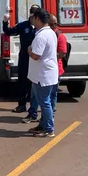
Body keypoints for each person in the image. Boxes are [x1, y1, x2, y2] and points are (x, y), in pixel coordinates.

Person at [25, 14, 67, 121]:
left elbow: (62, 53)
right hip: (41, 73)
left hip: (52, 71)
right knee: (36, 97)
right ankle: (37, 117)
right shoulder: (46, 34)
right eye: (52, 23)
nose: (54, 25)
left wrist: (29, 50)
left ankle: (48, 122)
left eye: (55, 24)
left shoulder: (57, 35)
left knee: (48, 99)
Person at [26, 8, 58, 138]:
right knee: (45, 101)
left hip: (42, 74)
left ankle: (49, 128)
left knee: (44, 102)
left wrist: (29, 50)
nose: (32, 20)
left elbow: (36, 56)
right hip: (44, 73)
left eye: (34, 18)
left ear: (38, 19)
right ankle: (43, 124)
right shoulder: (50, 32)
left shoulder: (41, 35)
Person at [4, 5, 40, 114]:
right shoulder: (24, 25)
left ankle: (35, 106)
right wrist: (5, 22)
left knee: (35, 82)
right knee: (22, 81)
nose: (34, 15)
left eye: (36, 13)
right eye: (32, 12)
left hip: (37, 58)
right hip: (25, 57)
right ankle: (21, 105)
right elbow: (8, 32)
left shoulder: (41, 27)